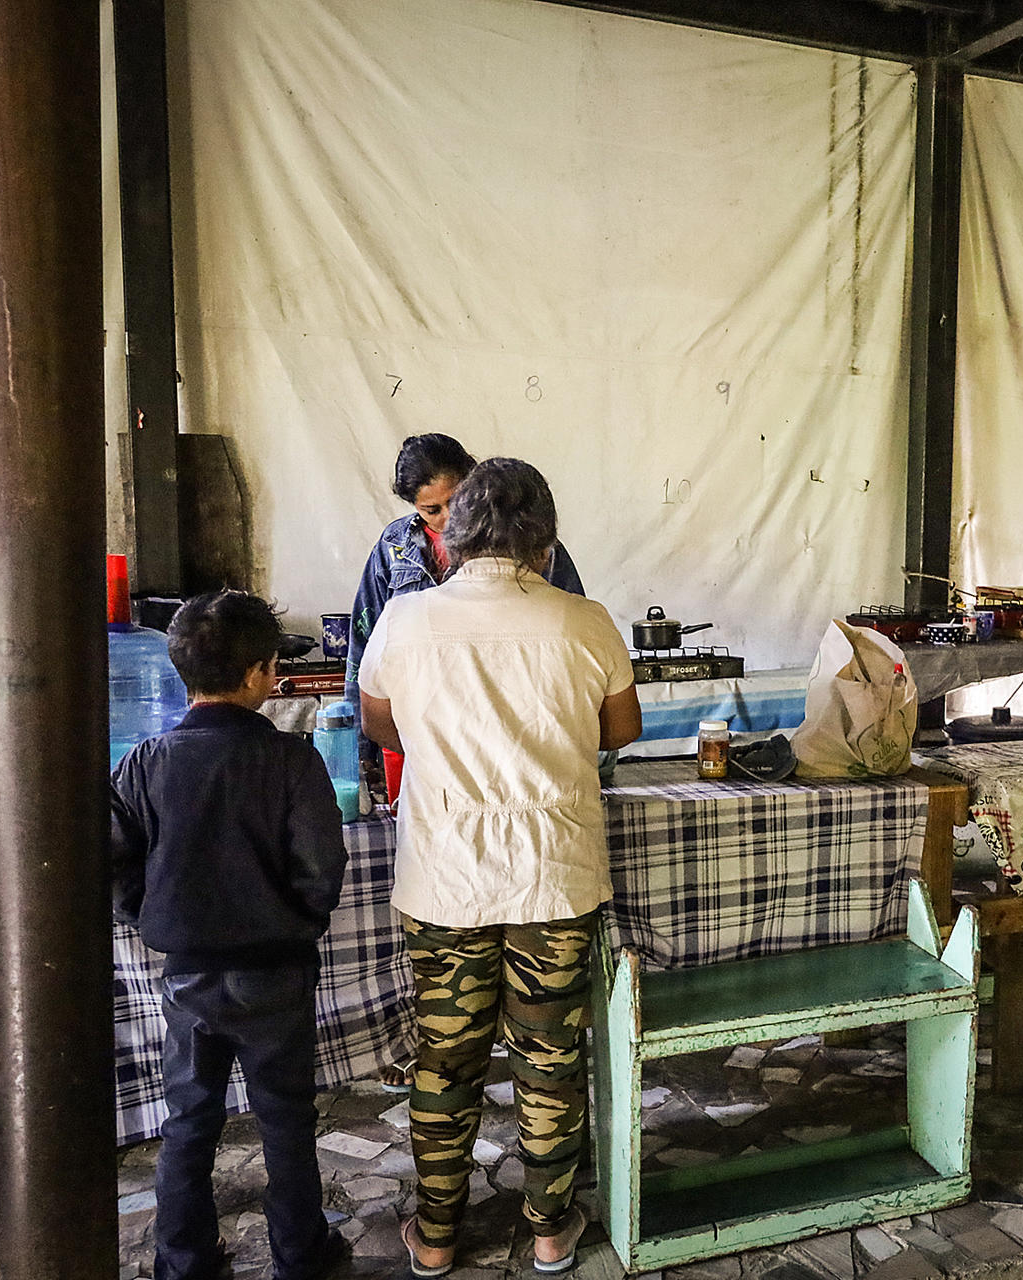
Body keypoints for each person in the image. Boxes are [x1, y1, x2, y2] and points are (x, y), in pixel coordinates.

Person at [357, 458, 643, 1276]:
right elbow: (616, 730)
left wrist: (453, 742)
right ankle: (552, 1230)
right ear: (543, 539)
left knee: (446, 1061)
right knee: (549, 1058)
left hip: (444, 877)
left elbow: (382, 727)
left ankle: (438, 1237)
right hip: (554, 874)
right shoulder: (583, 621)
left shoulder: (406, 621)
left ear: (453, 533)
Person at [110, 591, 351, 1280]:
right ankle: (300, 1257)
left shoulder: (146, 761)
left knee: (187, 1121)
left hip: (187, 975)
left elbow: (115, 857)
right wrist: (297, 923)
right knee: (285, 1121)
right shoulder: (293, 761)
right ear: (257, 675)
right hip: (276, 971)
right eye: (274, 666)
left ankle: (182, 1261)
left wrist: (148, 915)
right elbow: (320, 868)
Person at [344, 433, 584, 718]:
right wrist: (360, 744)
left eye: (456, 500)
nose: (449, 516)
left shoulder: (527, 541)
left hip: (513, 708)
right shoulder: (394, 546)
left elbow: (572, 629)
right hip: (418, 714)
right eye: (431, 511)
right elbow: (363, 643)